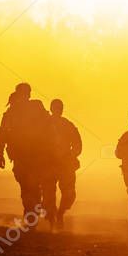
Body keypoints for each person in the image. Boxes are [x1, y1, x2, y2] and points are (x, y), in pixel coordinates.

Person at [0, 83, 51, 217]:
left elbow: (2, 135)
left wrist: (0, 154)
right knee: (30, 186)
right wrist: (0, 153)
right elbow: (2, 134)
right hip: (27, 156)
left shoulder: (26, 109)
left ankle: (31, 213)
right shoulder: (26, 109)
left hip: (32, 156)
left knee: (29, 186)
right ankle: (32, 212)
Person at [46, 98, 82, 230]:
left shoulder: (68, 125)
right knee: (48, 194)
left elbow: (77, 144)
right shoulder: (44, 124)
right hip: (48, 163)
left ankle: (60, 214)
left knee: (69, 194)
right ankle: (52, 222)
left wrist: (71, 155)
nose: (57, 110)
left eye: (59, 108)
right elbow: (35, 142)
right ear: (51, 109)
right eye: (55, 108)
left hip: (65, 164)